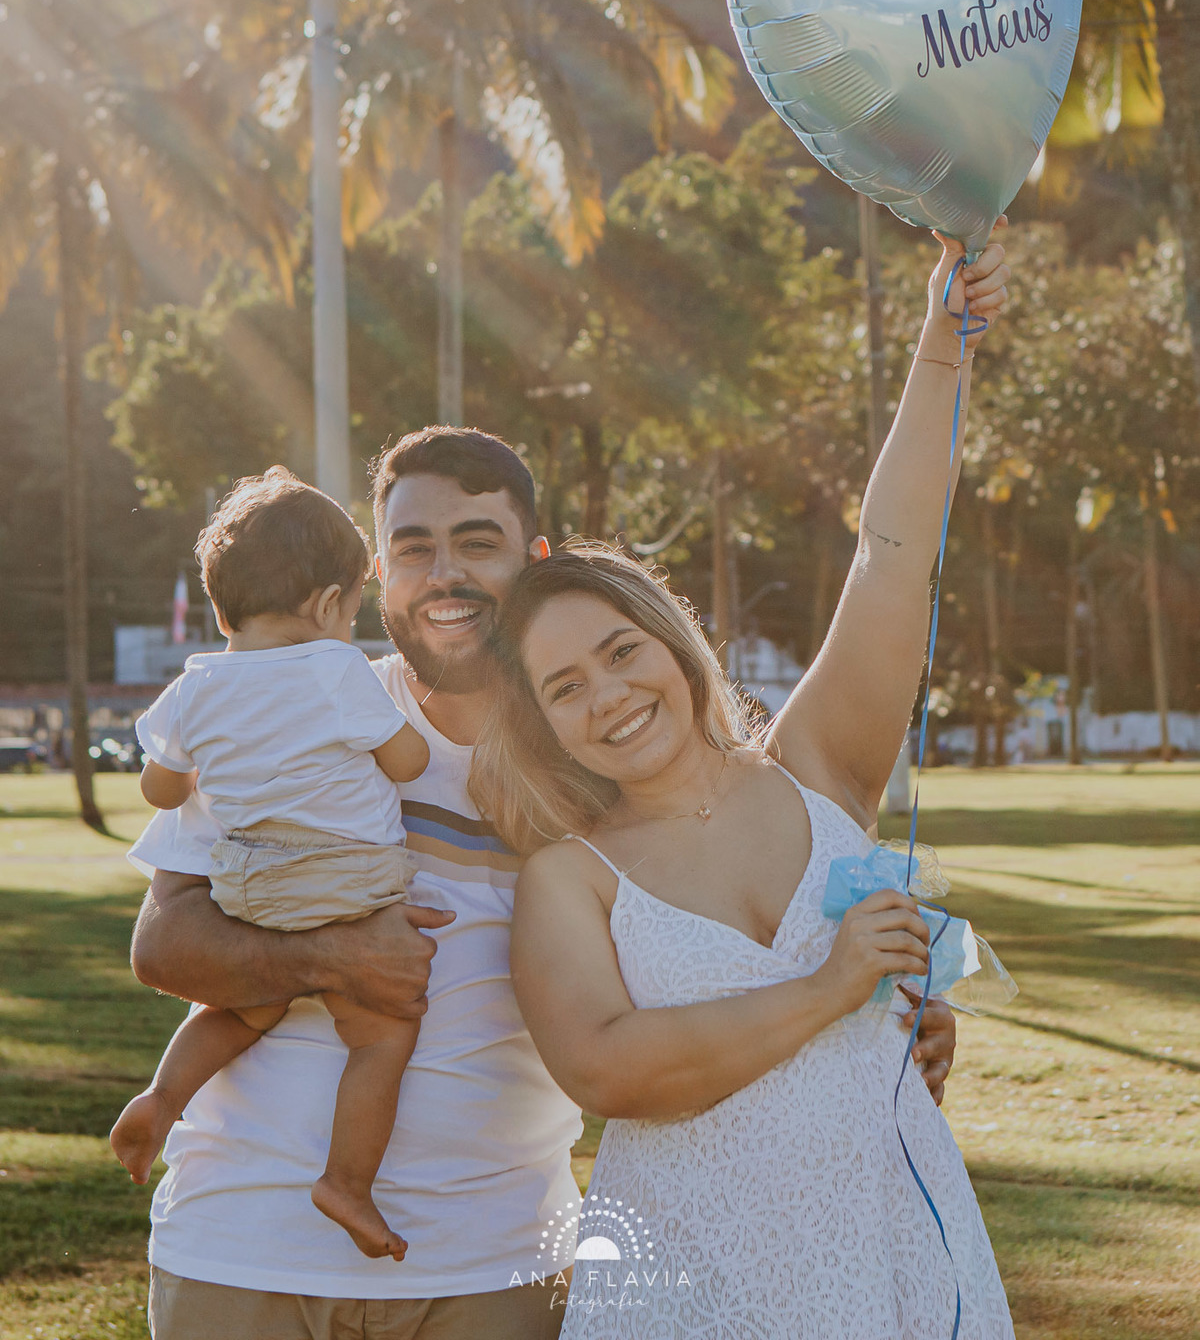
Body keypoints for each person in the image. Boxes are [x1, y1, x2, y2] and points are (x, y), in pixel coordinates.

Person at [126, 428, 959, 1340]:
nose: (444, 573)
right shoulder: (286, 711)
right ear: (377, 573)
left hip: (497, 1269)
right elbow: (164, 947)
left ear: (534, 560)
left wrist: (881, 1015)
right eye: (413, 548)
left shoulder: (605, 765)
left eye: (477, 542)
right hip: (241, 1247)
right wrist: (332, 956)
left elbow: (718, 951)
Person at [472, 227, 1015, 1338]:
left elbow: (894, 554)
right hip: (694, 1281)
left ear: (672, 643)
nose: (610, 696)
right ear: (544, 727)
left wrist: (943, 343)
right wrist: (829, 994)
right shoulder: (570, 882)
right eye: (565, 688)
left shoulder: (818, 767)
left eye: (622, 652)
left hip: (892, 1253)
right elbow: (609, 1073)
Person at [111, 469, 430, 1262]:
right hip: (346, 876)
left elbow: (159, 785)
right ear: (329, 604)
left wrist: (196, 769)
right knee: (382, 1032)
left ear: (221, 606)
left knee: (243, 1009)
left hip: (248, 883)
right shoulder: (336, 669)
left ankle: (163, 1094)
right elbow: (411, 760)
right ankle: (346, 1183)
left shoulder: (195, 686)